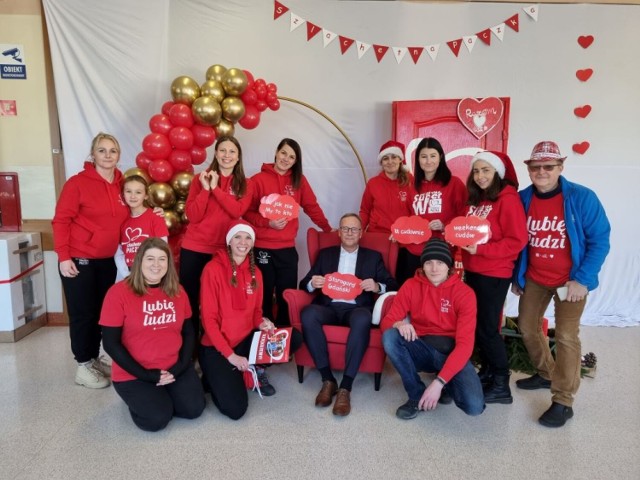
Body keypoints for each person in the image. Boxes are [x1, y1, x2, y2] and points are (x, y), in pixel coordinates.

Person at [512, 141, 610, 428]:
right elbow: (518, 241)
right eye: (536, 167)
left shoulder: (582, 197)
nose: (542, 171)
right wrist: (517, 276)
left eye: (549, 166)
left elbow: (600, 240)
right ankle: (545, 372)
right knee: (528, 327)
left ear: (560, 168)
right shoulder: (523, 199)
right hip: (535, 277)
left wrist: (582, 279)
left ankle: (563, 400)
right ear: (529, 169)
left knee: (566, 336)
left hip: (571, 281)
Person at [199, 221, 302, 420]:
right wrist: (231, 356)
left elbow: (256, 312)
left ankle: (252, 367)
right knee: (236, 410)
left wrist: (263, 323)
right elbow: (208, 321)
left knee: (292, 338)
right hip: (218, 348)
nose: (243, 242)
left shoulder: (256, 273)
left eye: (248, 238)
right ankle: (217, 375)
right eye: (237, 237)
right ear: (229, 241)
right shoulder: (212, 270)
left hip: (245, 340)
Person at [100, 238, 205, 431]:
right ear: (139, 261)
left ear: (168, 264)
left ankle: (161, 394)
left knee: (194, 409)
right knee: (156, 420)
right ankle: (143, 399)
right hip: (135, 373)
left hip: (174, 367)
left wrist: (181, 366)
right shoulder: (118, 293)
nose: (156, 265)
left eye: (162, 259)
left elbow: (189, 332)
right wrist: (147, 376)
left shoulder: (178, 291)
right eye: (150, 259)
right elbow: (110, 344)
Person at [299, 213, 398, 416]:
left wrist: (377, 285)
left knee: (363, 318)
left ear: (361, 233)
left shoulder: (373, 257)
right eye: (345, 228)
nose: (350, 233)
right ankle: (328, 379)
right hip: (329, 306)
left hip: (356, 308)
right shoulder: (326, 255)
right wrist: (313, 283)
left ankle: (346, 386)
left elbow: (393, 285)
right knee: (308, 313)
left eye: (354, 229)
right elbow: (304, 283)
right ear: (339, 232)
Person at [52, 132, 129, 388]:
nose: (108, 155)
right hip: (78, 259)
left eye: (113, 151)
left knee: (100, 314)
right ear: (92, 155)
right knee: (83, 314)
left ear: (119, 155)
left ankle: (94, 358)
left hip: (107, 261)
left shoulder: (122, 183)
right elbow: (61, 221)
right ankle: (83, 365)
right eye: (102, 150)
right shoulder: (77, 184)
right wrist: (64, 257)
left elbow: (131, 212)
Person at [381, 238, 485, 419]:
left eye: (440, 262)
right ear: (423, 265)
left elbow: (465, 345)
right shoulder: (411, 286)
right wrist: (398, 323)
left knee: (474, 406)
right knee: (390, 337)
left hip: (451, 352)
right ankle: (416, 395)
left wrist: (439, 382)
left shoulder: (465, 294)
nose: (434, 268)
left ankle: (447, 383)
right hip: (421, 348)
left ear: (449, 265)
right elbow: (387, 321)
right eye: (428, 262)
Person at [460, 151, 528, 404]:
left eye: (485, 170)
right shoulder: (478, 200)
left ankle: (501, 384)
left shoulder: (507, 199)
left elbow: (517, 240)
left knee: (488, 329)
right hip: (475, 270)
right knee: (479, 327)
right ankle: (488, 372)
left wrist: (481, 250)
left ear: (497, 172)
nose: (479, 176)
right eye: (476, 171)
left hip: (494, 273)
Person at [244, 138, 332, 327]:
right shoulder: (257, 180)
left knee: (287, 295)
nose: (286, 159)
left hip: (287, 250)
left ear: (295, 161)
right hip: (262, 249)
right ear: (276, 152)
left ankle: (284, 337)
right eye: (284, 153)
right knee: (264, 295)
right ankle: (263, 338)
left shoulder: (298, 181)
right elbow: (246, 212)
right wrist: (268, 223)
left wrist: (327, 228)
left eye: (292, 157)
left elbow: (311, 206)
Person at [179, 136, 252, 337]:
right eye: (222, 150)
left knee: (219, 301)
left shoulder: (246, 184)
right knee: (190, 299)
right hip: (194, 248)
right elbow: (193, 216)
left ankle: (215, 347)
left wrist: (216, 190)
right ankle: (190, 348)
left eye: (232, 152)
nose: (226, 155)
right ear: (216, 153)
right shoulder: (200, 179)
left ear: (238, 158)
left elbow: (236, 210)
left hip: (223, 251)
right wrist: (205, 189)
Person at [398, 137, 467, 285]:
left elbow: (464, 216)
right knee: (415, 294)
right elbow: (406, 217)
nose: (428, 161)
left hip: (441, 251)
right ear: (418, 160)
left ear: (440, 157)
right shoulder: (411, 187)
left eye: (432, 156)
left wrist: (445, 226)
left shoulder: (454, 184)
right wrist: (399, 231)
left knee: (438, 296)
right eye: (423, 156)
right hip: (415, 251)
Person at [114, 175, 169, 281]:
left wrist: (150, 274)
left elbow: (163, 249)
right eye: (128, 191)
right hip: (127, 276)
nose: (133, 196)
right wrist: (127, 275)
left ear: (146, 196)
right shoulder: (121, 220)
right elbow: (118, 252)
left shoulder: (155, 217)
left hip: (151, 275)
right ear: (123, 194)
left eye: (138, 192)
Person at [359, 140, 413, 234]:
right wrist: (359, 231)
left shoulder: (411, 181)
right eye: (385, 158)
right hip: (378, 234)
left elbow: (417, 211)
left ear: (400, 159)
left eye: (394, 157)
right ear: (381, 162)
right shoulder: (373, 183)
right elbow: (365, 211)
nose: (390, 162)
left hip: (404, 235)